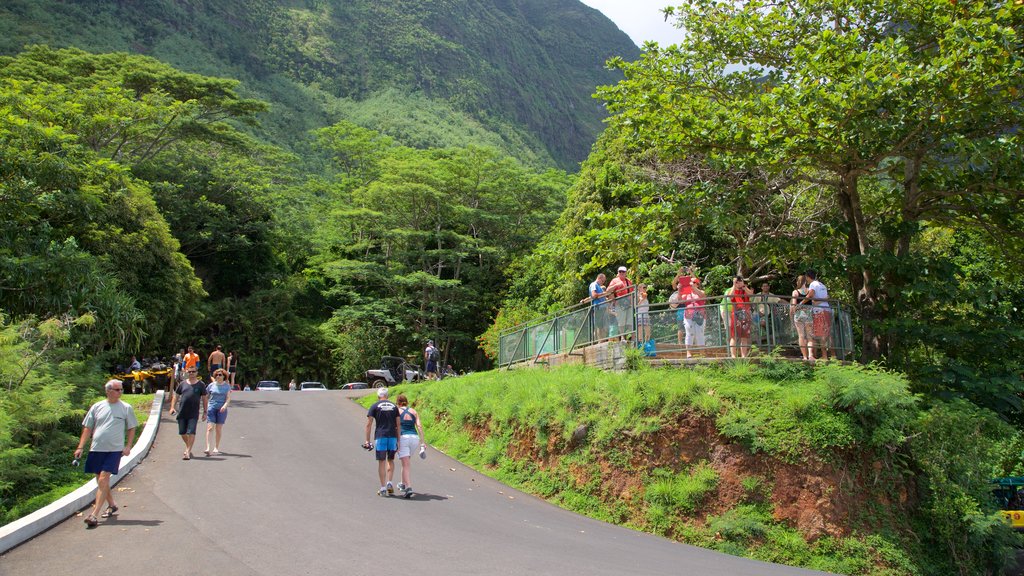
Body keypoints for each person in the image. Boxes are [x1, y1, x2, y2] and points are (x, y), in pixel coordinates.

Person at [74, 379, 138, 528]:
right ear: (108, 391)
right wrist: (80, 447)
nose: (120, 392)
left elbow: (131, 428)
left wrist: (128, 446)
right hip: (96, 448)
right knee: (100, 480)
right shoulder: (97, 407)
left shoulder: (126, 408)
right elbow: (88, 428)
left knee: (103, 479)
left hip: (114, 450)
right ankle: (112, 505)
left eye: (121, 390)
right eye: (117, 390)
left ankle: (94, 515)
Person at [364, 388, 400, 496]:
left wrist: (367, 440)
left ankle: (383, 487)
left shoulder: (374, 406)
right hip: (392, 436)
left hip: (380, 436)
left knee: (381, 461)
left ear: (378, 396)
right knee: (390, 460)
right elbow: (398, 424)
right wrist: (398, 440)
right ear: (387, 396)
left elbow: (369, 424)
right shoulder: (394, 406)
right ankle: (389, 483)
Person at [170, 368, 207, 460]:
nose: (191, 373)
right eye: (189, 372)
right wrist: (172, 407)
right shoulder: (182, 384)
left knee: (191, 432)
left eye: (193, 372)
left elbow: (205, 398)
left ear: (197, 373)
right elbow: (176, 396)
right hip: (182, 412)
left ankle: (188, 451)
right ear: (187, 373)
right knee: (182, 432)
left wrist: (205, 412)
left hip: (193, 413)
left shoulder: (201, 385)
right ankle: (188, 446)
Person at [395, 394, 425, 498]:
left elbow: (396, 426)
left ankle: (408, 487)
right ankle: (402, 483)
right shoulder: (414, 411)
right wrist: (422, 443)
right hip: (414, 438)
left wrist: (396, 440)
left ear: (397, 403)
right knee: (406, 461)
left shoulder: (397, 411)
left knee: (406, 464)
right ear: (406, 402)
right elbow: (419, 426)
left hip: (403, 438)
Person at [802, 269, 832, 361]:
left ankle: (824, 356)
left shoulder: (813, 284)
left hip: (819, 311)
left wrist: (801, 303)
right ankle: (830, 355)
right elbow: (827, 297)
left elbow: (810, 295)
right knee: (826, 332)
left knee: (820, 333)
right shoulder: (822, 285)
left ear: (807, 277)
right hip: (827, 309)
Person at [204, 369, 232, 456]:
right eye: (217, 375)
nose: (218, 376)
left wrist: (225, 406)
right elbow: (206, 396)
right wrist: (205, 407)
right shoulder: (211, 385)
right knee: (210, 428)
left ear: (224, 376)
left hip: (222, 409)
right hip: (211, 408)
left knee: (218, 429)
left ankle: (216, 447)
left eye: (220, 375)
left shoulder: (227, 386)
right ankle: (208, 447)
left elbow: (228, 398)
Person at [724, 276, 754, 358]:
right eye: (737, 281)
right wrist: (734, 285)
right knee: (734, 336)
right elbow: (730, 297)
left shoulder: (745, 290)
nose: (739, 282)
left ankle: (744, 356)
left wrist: (744, 286)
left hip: (746, 315)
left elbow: (751, 295)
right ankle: (733, 356)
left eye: (740, 281)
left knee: (744, 337)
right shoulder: (732, 290)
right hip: (736, 315)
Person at [606, 266, 635, 341]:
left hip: (628, 304)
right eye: (620, 272)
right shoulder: (614, 280)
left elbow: (632, 293)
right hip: (619, 304)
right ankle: (622, 337)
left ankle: (632, 337)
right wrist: (616, 286)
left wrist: (632, 304)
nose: (621, 273)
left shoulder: (629, 281)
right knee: (621, 322)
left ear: (626, 273)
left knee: (630, 321)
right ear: (618, 272)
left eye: (623, 272)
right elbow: (608, 291)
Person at [682, 281, 708, 358]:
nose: (691, 283)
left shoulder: (701, 292)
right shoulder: (686, 293)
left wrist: (693, 288)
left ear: (697, 284)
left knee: (700, 333)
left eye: (693, 282)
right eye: (690, 282)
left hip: (700, 315)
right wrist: (680, 289)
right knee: (689, 333)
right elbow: (680, 300)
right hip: (689, 315)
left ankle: (702, 353)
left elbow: (703, 296)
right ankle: (688, 353)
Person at [790, 275, 813, 360]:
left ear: (798, 282)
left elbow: (793, 305)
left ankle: (804, 356)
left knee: (801, 336)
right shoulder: (809, 291)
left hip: (799, 314)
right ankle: (810, 355)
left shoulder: (795, 292)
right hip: (809, 314)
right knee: (809, 336)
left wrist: (791, 314)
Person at [587, 273, 608, 341]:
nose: (603, 283)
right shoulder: (594, 284)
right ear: (599, 278)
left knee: (602, 326)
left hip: (602, 308)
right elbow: (594, 295)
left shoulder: (598, 286)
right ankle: (600, 341)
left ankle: (602, 340)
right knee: (599, 326)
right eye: (602, 281)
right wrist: (603, 293)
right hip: (598, 307)